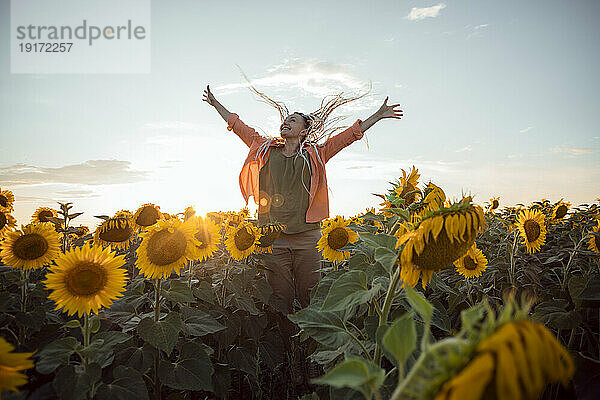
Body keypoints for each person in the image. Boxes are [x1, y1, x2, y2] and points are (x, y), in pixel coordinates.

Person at [203, 80, 403, 380]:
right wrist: (215, 103)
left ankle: (312, 355)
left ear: (303, 130)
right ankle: (287, 358)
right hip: (274, 241)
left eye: (293, 120)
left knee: (312, 297)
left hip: (309, 238)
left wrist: (378, 114)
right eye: (285, 120)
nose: (286, 122)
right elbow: (238, 125)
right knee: (281, 301)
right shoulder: (263, 149)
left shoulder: (315, 155)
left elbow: (348, 137)